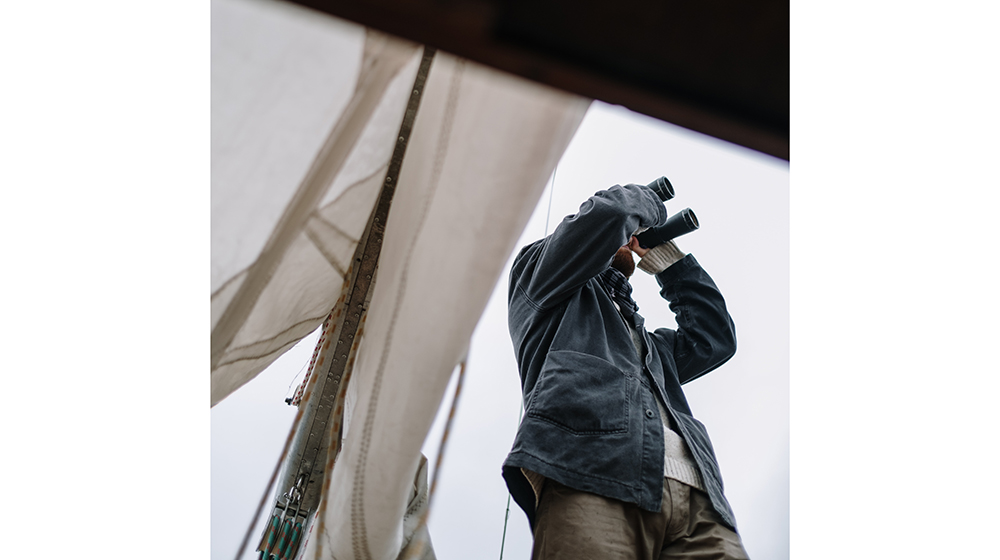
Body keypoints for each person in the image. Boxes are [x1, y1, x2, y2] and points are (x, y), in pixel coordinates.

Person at [502, 182, 750, 559]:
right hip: (591, 476)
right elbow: (612, 214)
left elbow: (714, 337)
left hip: (700, 505)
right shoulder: (541, 281)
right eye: (619, 237)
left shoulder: (649, 347)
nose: (628, 239)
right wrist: (645, 206)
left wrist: (669, 263)